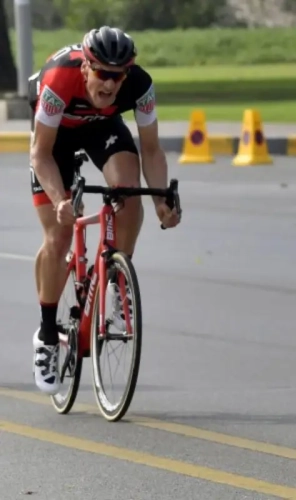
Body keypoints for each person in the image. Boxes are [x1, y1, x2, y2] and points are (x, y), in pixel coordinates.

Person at [28, 26, 181, 395]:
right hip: (56, 141)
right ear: (86, 68)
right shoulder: (59, 78)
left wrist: (161, 200)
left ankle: (115, 277)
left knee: (128, 190)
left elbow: (152, 151)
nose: (111, 83)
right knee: (58, 232)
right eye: (103, 73)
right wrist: (60, 200)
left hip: (102, 128)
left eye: (119, 74)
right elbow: (40, 154)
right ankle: (47, 334)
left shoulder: (140, 85)